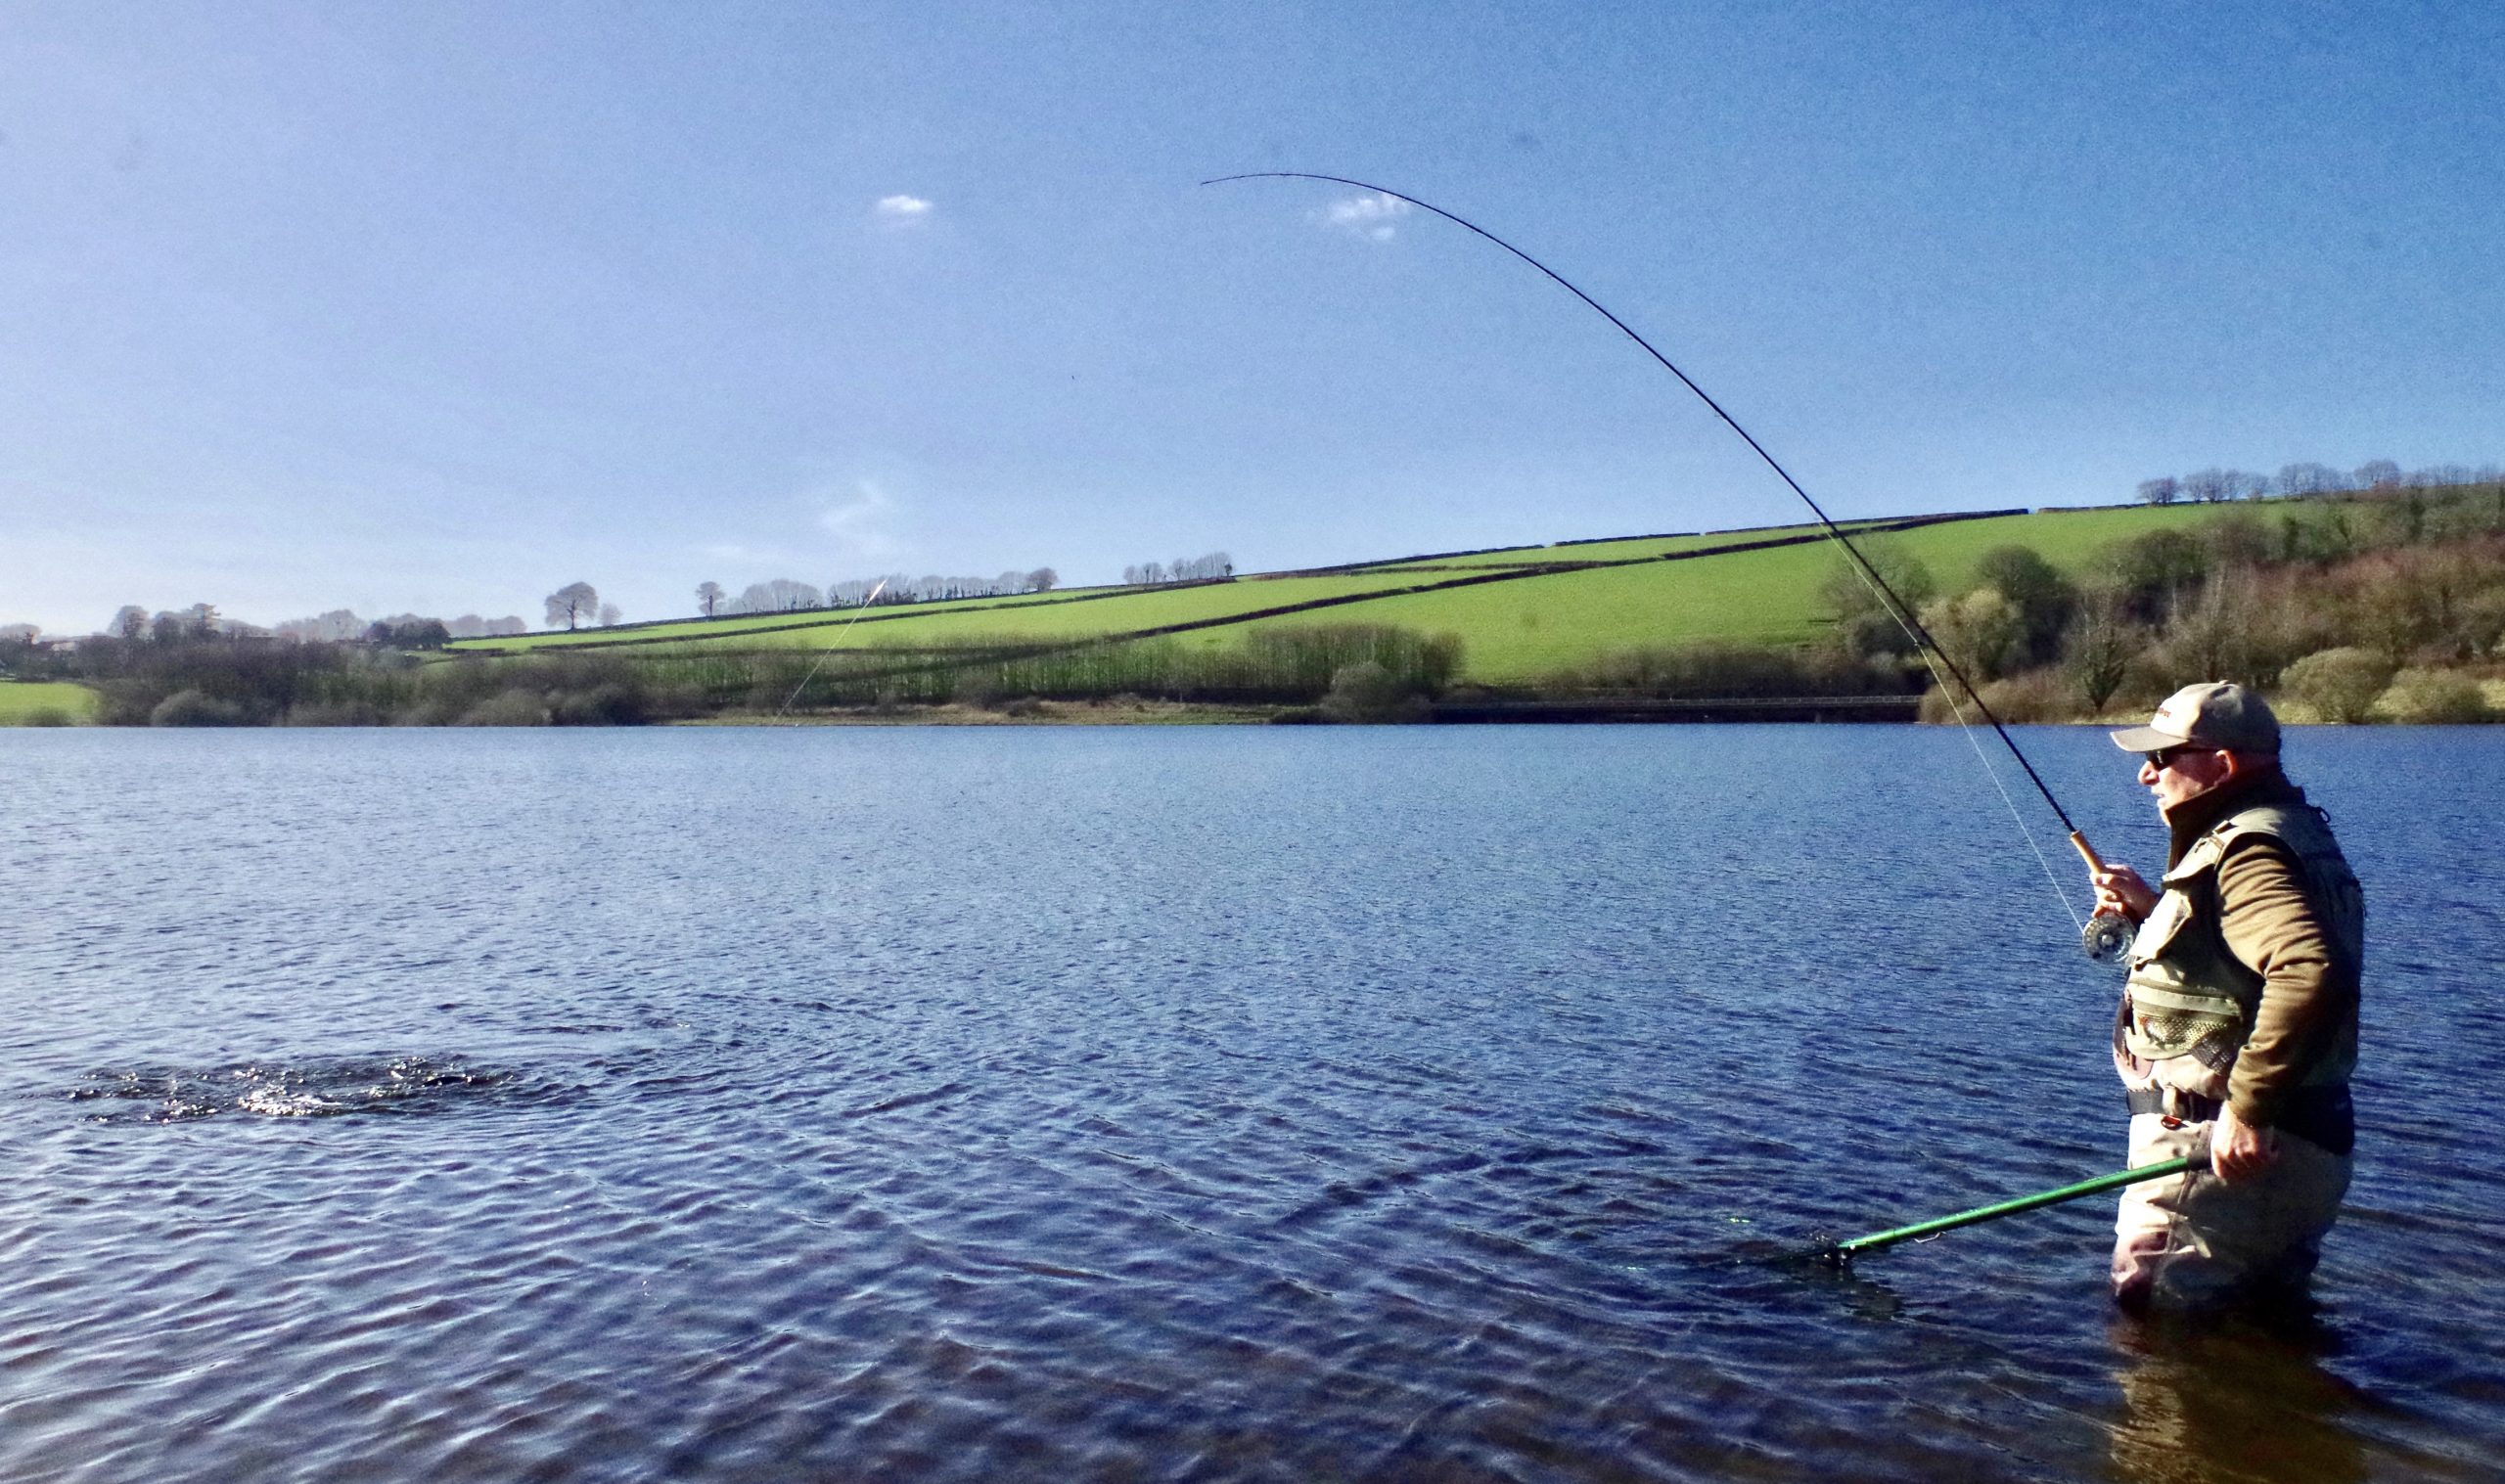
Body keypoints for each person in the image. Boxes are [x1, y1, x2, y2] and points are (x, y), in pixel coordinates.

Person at [2089, 681, 2364, 1312]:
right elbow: (2247, 956)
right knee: (2259, 1335)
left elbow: (2305, 969)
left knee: (2155, 1327)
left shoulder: (2247, 852)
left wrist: (2247, 1111)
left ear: (2224, 764)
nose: (2146, 775)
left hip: (2221, 1152)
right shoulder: (2290, 831)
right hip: (2297, 1146)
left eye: (2163, 757)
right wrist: (2157, 913)